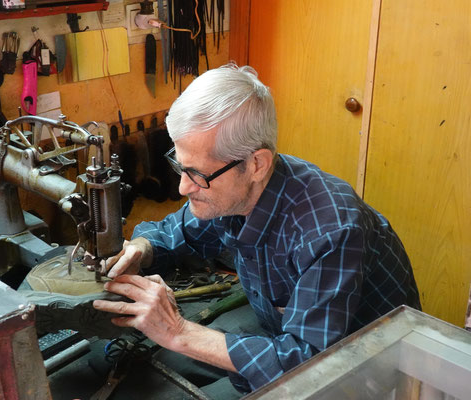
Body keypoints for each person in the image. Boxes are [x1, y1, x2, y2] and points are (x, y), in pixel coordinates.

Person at [92, 63, 421, 395]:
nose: (182, 188)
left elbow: (309, 364)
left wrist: (178, 331)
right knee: (142, 372)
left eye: (197, 174)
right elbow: (177, 232)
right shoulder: (234, 189)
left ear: (256, 164)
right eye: (180, 165)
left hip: (360, 369)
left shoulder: (331, 230)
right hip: (284, 334)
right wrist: (141, 249)